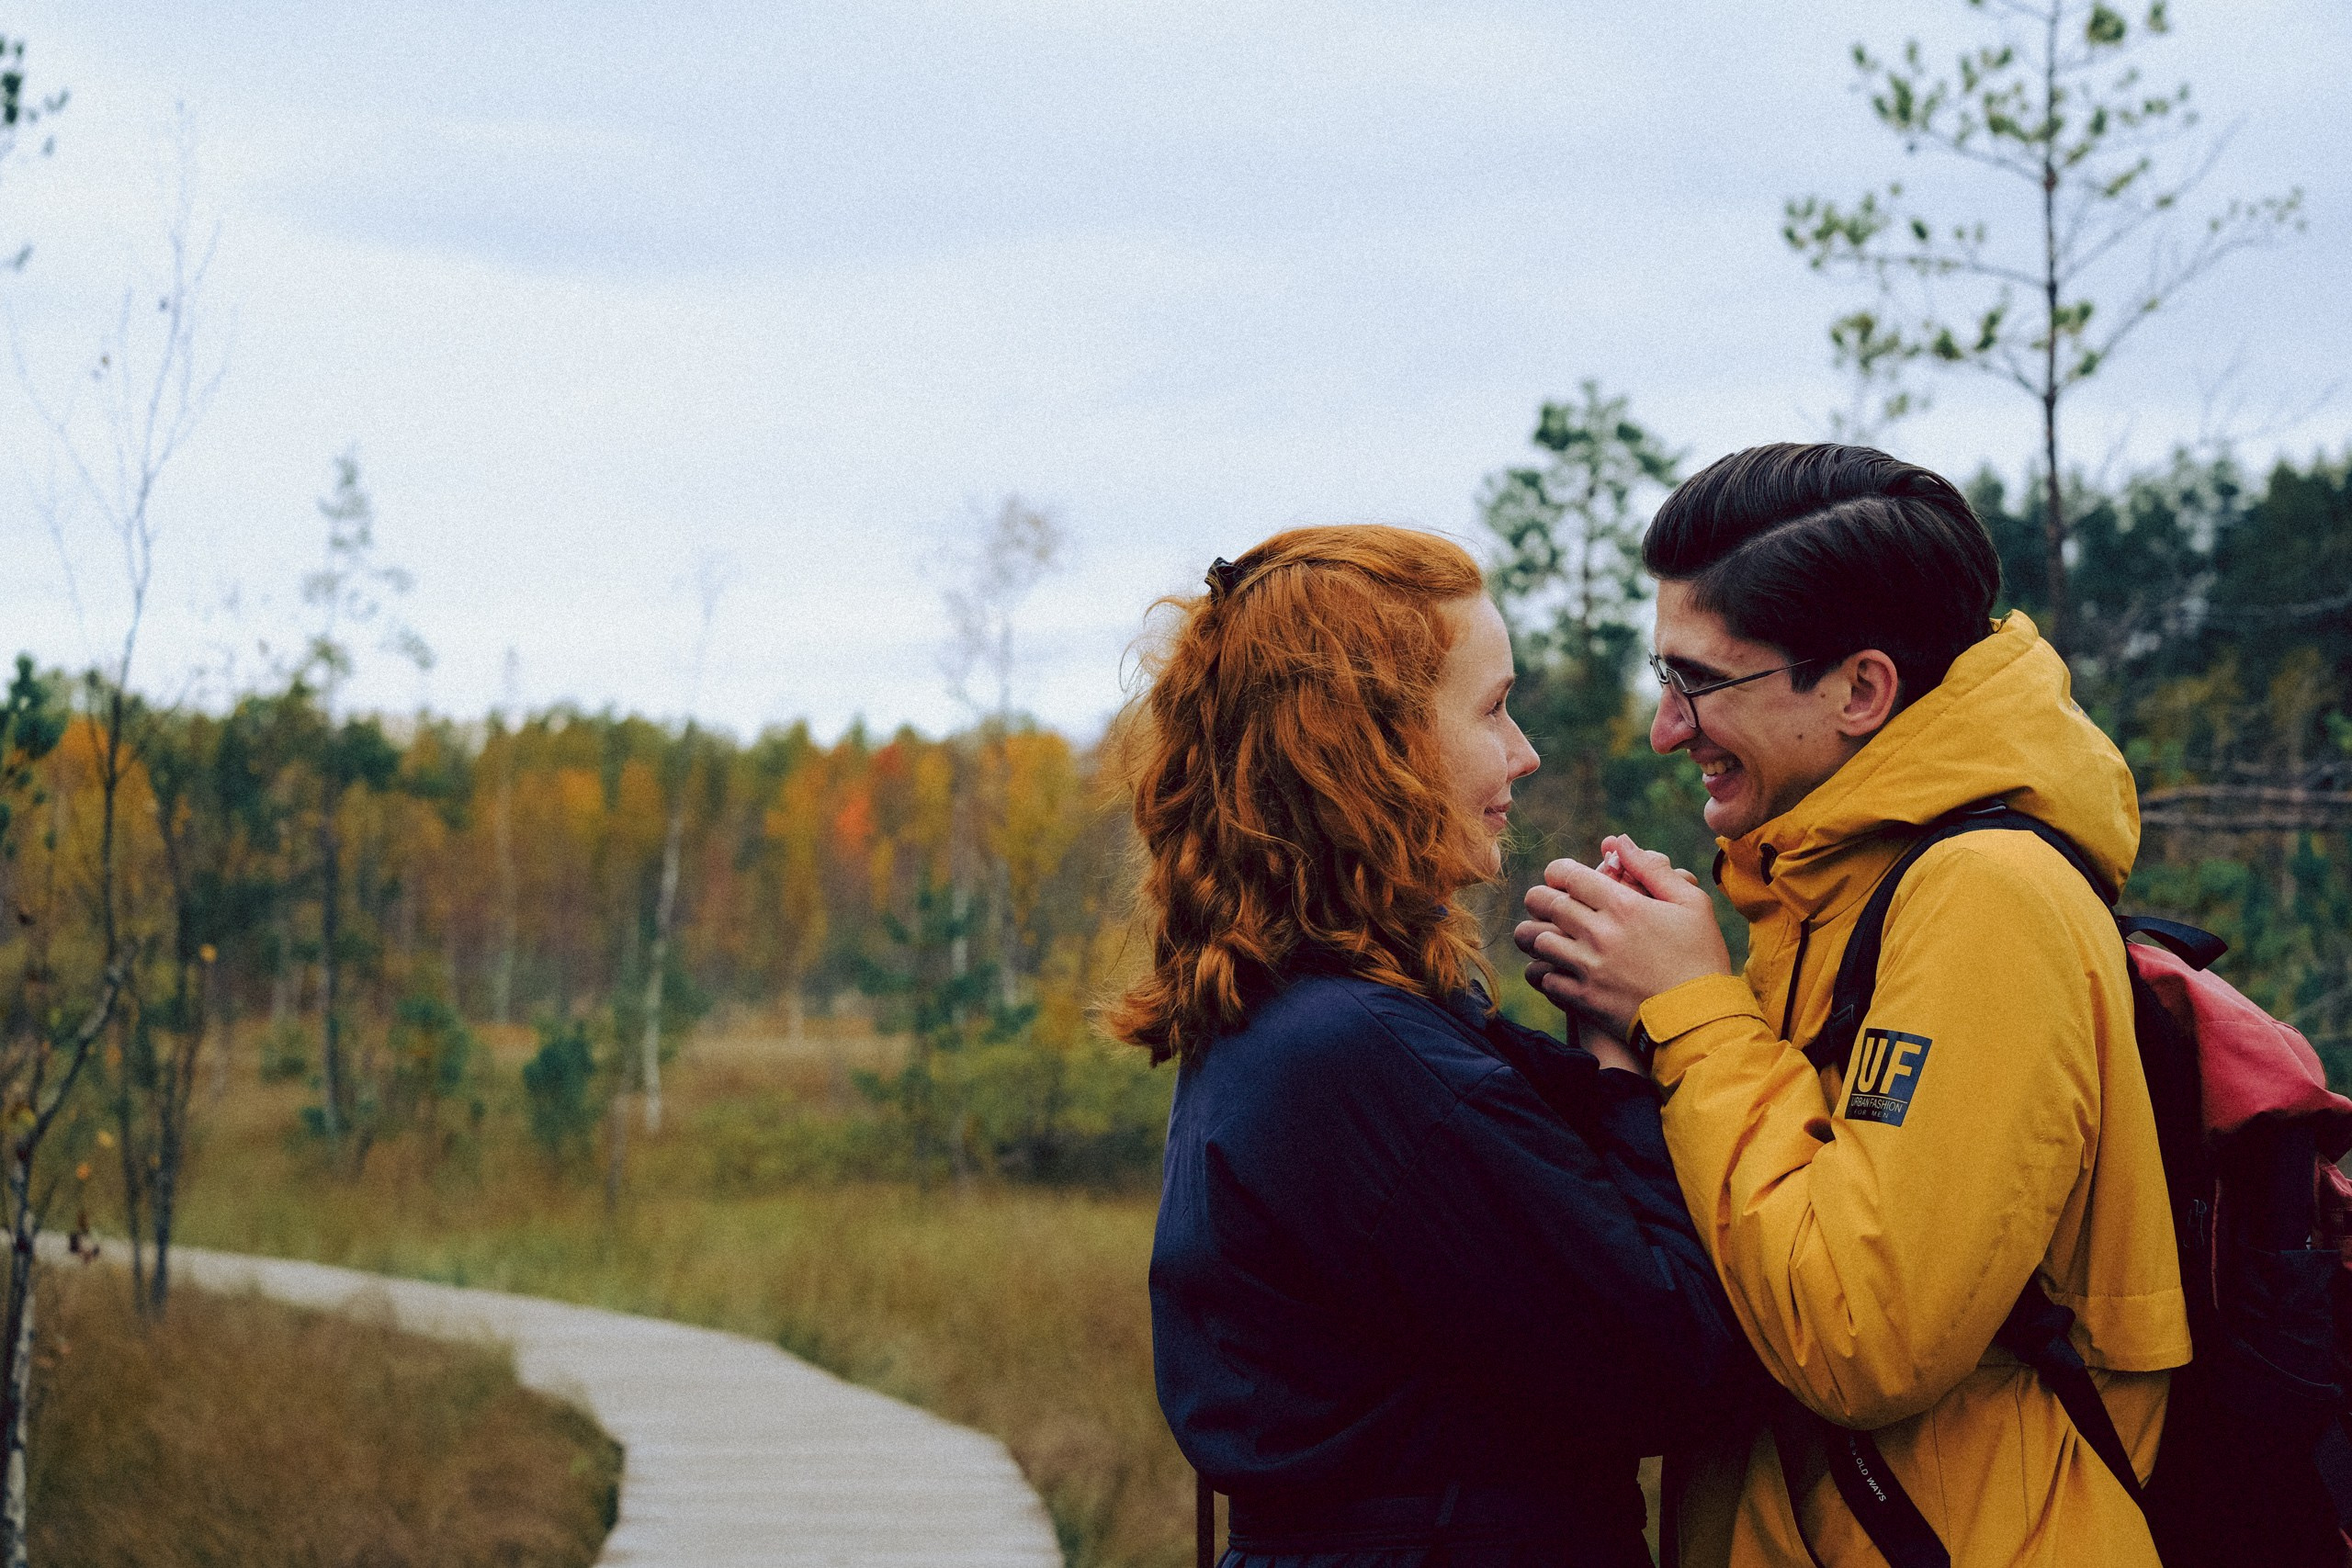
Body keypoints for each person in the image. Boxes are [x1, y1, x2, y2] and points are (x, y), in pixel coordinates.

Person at [1516, 444, 2188, 1566]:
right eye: (1663, 678)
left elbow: (1862, 1338)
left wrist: (1690, 1012)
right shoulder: (1827, 890)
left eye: (1699, 683)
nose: (1666, 729)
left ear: (1862, 690)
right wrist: (1631, 1044)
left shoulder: (1987, 900)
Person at [1119, 524, 1752, 1568]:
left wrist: (1608, 1024)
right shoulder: (1361, 1057)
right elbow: (1670, 1367)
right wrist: (1655, 1033)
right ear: (1368, 747)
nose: (1524, 752)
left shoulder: (1298, 1016)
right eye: (1492, 709)